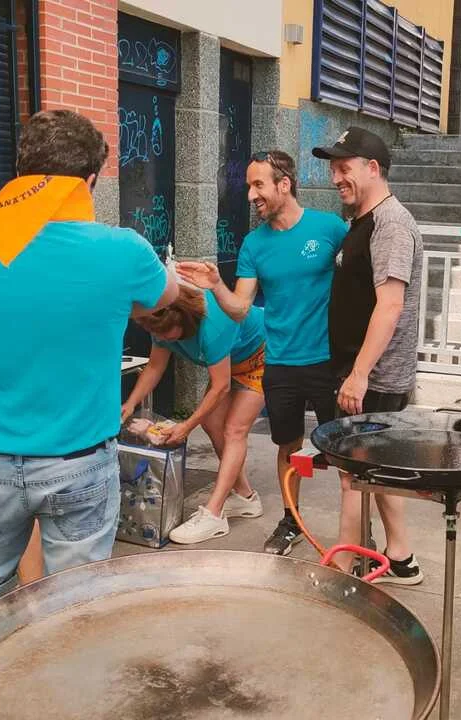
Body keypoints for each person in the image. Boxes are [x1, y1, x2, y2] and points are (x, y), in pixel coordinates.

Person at [0, 109, 179, 627]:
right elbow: (164, 298)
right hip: (79, 462)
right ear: (89, 181)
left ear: (21, 174)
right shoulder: (123, 250)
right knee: (76, 608)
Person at [176, 150, 349, 556]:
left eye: (258, 185)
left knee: (345, 451)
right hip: (281, 361)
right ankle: (291, 522)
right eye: (249, 187)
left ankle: (358, 532)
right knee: (288, 447)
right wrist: (216, 285)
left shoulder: (329, 228)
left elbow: (359, 279)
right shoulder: (254, 244)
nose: (251, 195)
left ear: (284, 184)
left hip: (329, 362)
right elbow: (239, 308)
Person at [312, 126, 424, 584]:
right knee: (373, 469)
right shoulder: (364, 220)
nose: (336, 177)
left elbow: (390, 304)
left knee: (352, 473)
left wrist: (359, 375)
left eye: (344, 167)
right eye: (333, 168)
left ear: (373, 168)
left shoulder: (390, 224)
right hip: (361, 370)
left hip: (373, 375)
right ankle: (400, 555)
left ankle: (344, 567)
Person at [123, 285, 268, 543]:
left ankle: (214, 514)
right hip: (229, 361)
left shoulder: (214, 325)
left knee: (234, 430)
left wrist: (186, 426)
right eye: (155, 333)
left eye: (165, 333)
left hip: (260, 354)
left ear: (184, 321)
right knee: (212, 423)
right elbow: (155, 366)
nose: (161, 338)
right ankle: (246, 498)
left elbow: (221, 387)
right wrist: (130, 404)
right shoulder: (159, 316)